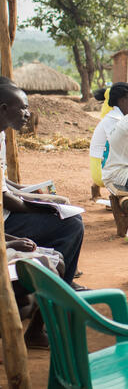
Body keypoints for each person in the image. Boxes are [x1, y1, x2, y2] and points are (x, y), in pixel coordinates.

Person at [0, 83, 85, 289]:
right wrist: (41, 206)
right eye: (23, 108)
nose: (28, 114)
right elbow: (4, 197)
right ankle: (60, 288)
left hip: (7, 214)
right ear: (3, 108)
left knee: (63, 211)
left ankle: (60, 279)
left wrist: (28, 191)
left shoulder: (1, 134)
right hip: (5, 220)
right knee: (70, 224)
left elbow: (3, 182)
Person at [89, 82, 128, 191]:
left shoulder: (116, 117)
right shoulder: (115, 120)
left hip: (103, 165)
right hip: (102, 170)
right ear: (122, 101)